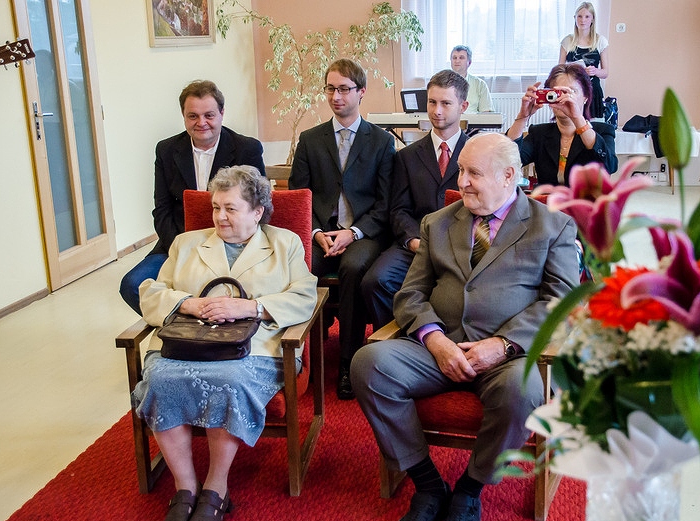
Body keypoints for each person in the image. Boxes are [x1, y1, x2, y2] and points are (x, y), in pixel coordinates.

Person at [351, 133, 578, 521]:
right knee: (368, 364)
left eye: (474, 173)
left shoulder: (552, 225)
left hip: (509, 356)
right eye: (461, 171)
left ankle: (470, 490)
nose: (462, 182)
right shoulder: (438, 223)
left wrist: (503, 344)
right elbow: (410, 294)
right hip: (437, 350)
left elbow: (561, 302)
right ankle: (428, 485)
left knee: (524, 390)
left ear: (509, 176)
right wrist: (435, 340)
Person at [132, 165, 317, 521]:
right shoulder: (186, 243)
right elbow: (151, 293)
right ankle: (186, 488)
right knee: (161, 378)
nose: (219, 217)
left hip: (256, 348)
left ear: (258, 211)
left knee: (229, 379)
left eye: (231, 209)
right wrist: (187, 303)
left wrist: (251, 307)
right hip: (186, 343)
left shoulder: (285, 244)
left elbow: (305, 296)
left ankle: (216, 488)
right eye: (216, 207)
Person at [289, 58, 395, 401]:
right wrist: (316, 233)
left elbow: (385, 204)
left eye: (344, 89)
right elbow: (299, 197)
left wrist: (354, 233)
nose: (336, 97)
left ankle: (349, 363)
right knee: (300, 266)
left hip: (363, 233)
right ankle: (298, 356)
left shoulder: (381, 141)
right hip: (320, 232)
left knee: (352, 268)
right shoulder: (310, 139)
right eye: (331, 89)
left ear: (361, 92)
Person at [119, 80, 265, 315]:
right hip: (178, 240)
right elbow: (162, 209)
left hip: (232, 244)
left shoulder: (246, 148)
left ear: (222, 113)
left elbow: (257, 205)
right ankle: (186, 322)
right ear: (183, 116)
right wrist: (182, 249)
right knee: (132, 284)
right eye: (193, 116)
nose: (201, 122)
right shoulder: (166, 150)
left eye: (209, 115)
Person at [361, 69, 469, 329]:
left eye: (446, 103)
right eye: (432, 102)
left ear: (463, 107)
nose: (437, 111)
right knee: (375, 282)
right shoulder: (406, 156)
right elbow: (398, 209)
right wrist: (413, 241)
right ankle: (399, 338)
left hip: (461, 247)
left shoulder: (474, 153)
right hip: (416, 244)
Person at [507, 63, 617, 186]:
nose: (563, 98)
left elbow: (609, 166)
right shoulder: (539, 133)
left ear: (585, 97)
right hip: (547, 198)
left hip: (585, 198)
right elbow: (508, 160)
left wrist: (577, 118)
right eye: (557, 92)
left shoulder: (603, 131)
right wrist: (523, 116)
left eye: (571, 91)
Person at [558, 2, 609, 119]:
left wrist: (595, 71)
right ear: (575, 18)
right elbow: (559, 69)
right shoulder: (567, 41)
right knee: (570, 123)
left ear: (592, 19)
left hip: (593, 90)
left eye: (587, 16)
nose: (583, 20)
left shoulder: (600, 41)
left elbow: (605, 73)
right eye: (579, 16)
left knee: (591, 126)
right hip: (571, 90)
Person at [450, 45, 492, 114]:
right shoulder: (442, 83)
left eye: (461, 58)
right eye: (454, 58)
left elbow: (486, 112)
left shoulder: (480, 84)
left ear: (469, 62)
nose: (457, 61)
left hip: (472, 120)